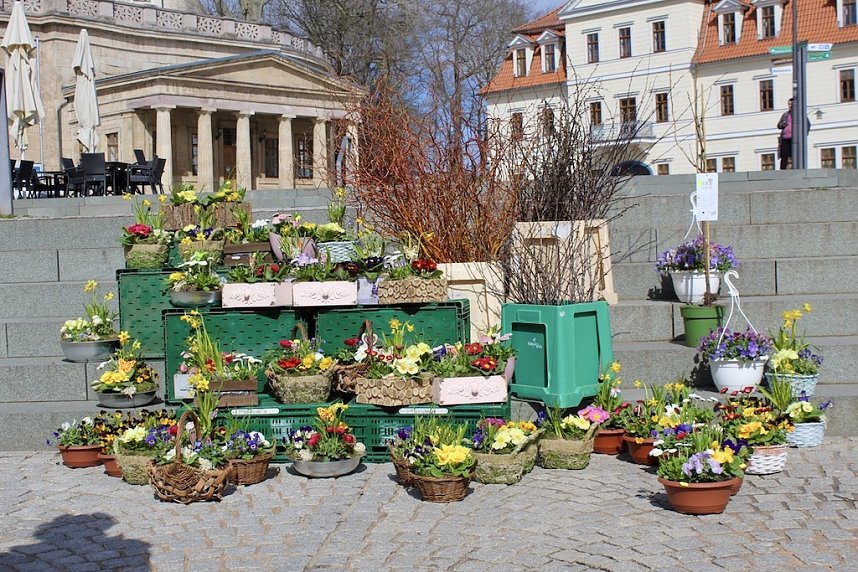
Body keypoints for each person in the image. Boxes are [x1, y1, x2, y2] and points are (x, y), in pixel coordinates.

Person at [777, 99, 794, 169]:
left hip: (794, 138)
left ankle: (795, 169)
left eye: (792, 104)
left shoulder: (799, 114)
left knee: (794, 155)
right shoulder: (785, 114)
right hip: (785, 138)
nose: (790, 106)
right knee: (784, 155)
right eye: (789, 104)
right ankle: (782, 170)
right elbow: (779, 125)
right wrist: (783, 124)